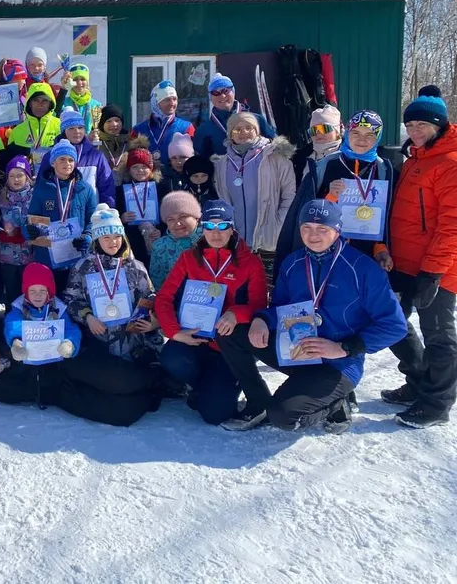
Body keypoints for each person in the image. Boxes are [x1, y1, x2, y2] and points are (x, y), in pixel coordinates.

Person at [218, 200, 407, 433]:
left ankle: (337, 403)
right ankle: (257, 400)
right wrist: (262, 319)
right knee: (231, 332)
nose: (313, 235)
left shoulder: (363, 269)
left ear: (337, 230)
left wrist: (344, 347)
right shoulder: (293, 262)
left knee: (282, 416)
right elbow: (281, 308)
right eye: (306, 227)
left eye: (322, 229)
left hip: (338, 364)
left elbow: (395, 325)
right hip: (297, 352)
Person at [155, 200, 267, 425]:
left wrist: (237, 313)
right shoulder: (189, 258)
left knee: (215, 414)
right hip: (193, 339)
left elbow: (260, 307)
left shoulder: (250, 263)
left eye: (223, 226)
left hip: (228, 348)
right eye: (210, 226)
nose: (216, 234)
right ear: (201, 228)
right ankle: (201, 385)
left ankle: (217, 387)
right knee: (171, 357)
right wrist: (175, 333)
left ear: (232, 228)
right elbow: (164, 298)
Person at [382, 89, 457, 428]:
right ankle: (417, 382)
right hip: (405, 263)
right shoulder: (416, 158)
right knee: (394, 323)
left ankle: (437, 403)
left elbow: (451, 225)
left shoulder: (450, 163)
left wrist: (433, 271)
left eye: (422, 124)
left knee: (438, 334)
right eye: (409, 124)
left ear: (439, 125)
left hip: (438, 269)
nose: (414, 130)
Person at [61, 205, 164, 426]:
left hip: (132, 341)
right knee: (112, 382)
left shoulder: (135, 267)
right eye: (106, 237)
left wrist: (149, 320)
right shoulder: (84, 266)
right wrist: (87, 316)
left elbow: (150, 297)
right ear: (97, 239)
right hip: (98, 342)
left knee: (135, 377)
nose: (112, 242)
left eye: (117, 236)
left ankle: (147, 385)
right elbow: (70, 299)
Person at [276, 110, 394, 273]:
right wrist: (330, 197)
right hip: (328, 252)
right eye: (356, 133)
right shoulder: (327, 164)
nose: (362, 139)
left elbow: (386, 214)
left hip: (366, 255)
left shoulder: (383, 168)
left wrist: (380, 248)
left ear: (378, 137)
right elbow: (308, 207)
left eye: (370, 135)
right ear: (347, 132)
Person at [213, 110, 295, 275]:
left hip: (268, 239)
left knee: (269, 292)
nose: (243, 132)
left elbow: (289, 196)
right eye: (237, 129)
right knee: (242, 291)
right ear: (230, 135)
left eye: (249, 127)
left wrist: (278, 225)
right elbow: (223, 201)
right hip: (236, 243)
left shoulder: (275, 157)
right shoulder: (222, 164)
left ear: (257, 130)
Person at [27, 139, 98, 291]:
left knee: (74, 296)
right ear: (53, 163)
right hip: (48, 256)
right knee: (51, 298)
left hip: (76, 255)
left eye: (71, 160)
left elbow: (93, 220)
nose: (67, 163)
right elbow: (31, 218)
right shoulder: (42, 188)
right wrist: (29, 230)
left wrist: (88, 236)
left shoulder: (85, 189)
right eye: (62, 159)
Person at [37, 109, 115, 207]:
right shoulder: (51, 155)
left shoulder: (96, 156)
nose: (77, 131)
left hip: (90, 212)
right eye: (71, 128)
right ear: (64, 131)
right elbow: (42, 185)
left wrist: (107, 211)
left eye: (80, 127)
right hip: (59, 212)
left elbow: (106, 187)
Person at [193, 73, 276, 156]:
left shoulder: (257, 120)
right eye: (215, 92)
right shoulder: (204, 130)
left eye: (225, 90)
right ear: (210, 97)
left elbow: (276, 147)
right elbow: (200, 163)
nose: (222, 96)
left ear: (233, 92)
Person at [0, 156, 34, 307]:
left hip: (30, 257)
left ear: (27, 177)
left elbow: (44, 225)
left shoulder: (35, 198)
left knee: (29, 294)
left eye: (20, 175)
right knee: (12, 295)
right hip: (7, 258)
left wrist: (26, 234)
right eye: (11, 175)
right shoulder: (0, 199)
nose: (16, 179)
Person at [117, 144, 162, 267]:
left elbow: (167, 214)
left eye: (144, 167)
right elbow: (114, 212)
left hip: (156, 236)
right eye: (135, 167)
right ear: (128, 169)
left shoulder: (160, 188)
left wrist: (161, 230)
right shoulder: (121, 190)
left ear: (151, 168)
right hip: (132, 239)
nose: (140, 170)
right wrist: (122, 218)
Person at [148, 191, 203, 290]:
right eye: (171, 219)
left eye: (183, 217)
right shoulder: (159, 246)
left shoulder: (210, 239)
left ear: (197, 218)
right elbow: (158, 284)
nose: (177, 224)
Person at [131, 81, 196, 162]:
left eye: (174, 99)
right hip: (147, 174)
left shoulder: (186, 128)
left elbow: (193, 158)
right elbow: (132, 160)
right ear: (156, 103)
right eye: (167, 100)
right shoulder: (139, 130)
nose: (172, 103)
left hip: (176, 174)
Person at [5, 81, 62, 171]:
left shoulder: (60, 126)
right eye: (35, 100)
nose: (40, 104)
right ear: (29, 103)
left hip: (53, 180)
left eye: (45, 100)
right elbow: (10, 162)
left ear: (50, 103)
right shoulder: (17, 131)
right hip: (25, 181)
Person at [291, 105, 342, 185]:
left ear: (337, 131)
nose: (318, 133)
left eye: (324, 128)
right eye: (313, 130)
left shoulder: (346, 156)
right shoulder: (299, 158)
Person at [59, 64, 103, 134]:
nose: (79, 83)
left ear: (87, 82)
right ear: (70, 82)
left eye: (83, 79)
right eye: (75, 79)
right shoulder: (63, 104)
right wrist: (64, 87)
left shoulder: (97, 105)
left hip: (90, 143)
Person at [95, 103, 129, 187]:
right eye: (108, 121)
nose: (114, 124)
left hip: (127, 191)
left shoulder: (131, 142)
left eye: (117, 120)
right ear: (102, 124)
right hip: (102, 188)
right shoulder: (96, 143)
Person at [159, 132, 195, 199]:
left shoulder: (198, 175)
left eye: (183, 157)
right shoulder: (164, 178)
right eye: (174, 158)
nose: (178, 162)